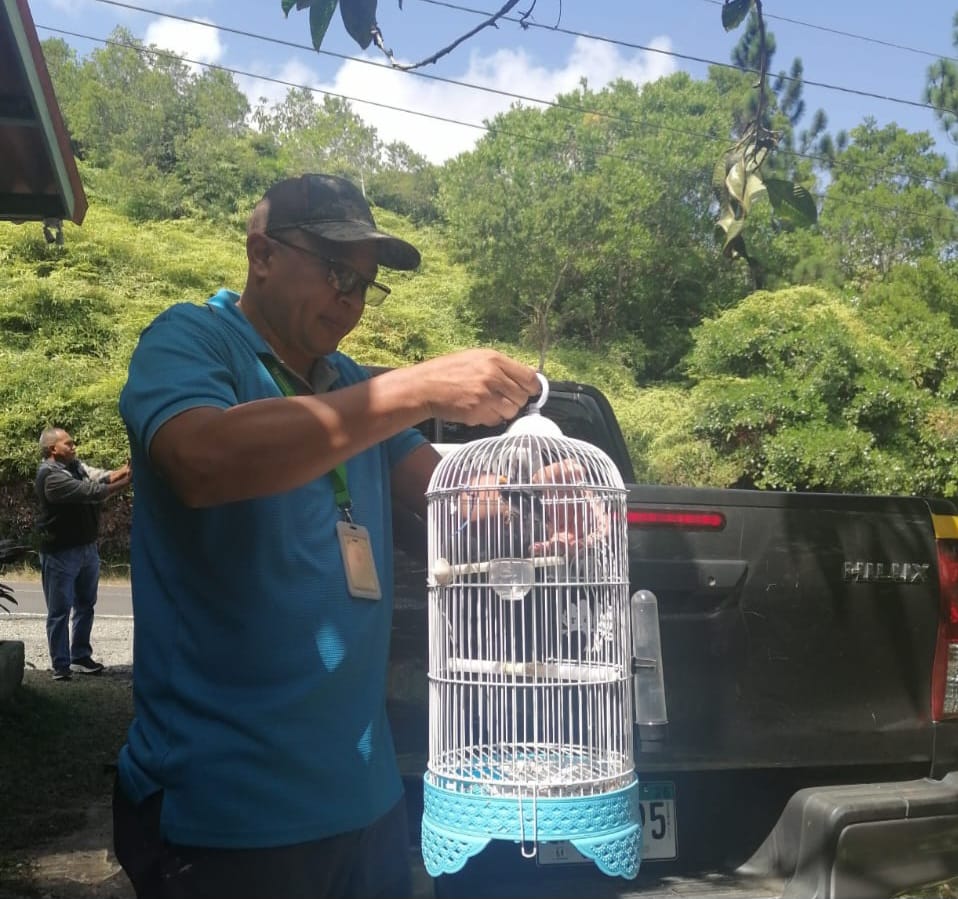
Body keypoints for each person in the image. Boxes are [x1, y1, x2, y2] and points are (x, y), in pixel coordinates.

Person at [112, 172, 540, 899]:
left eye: (365, 284)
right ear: (262, 254)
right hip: (225, 813)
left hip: (366, 802)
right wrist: (412, 386)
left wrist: (539, 506)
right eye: (338, 271)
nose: (351, 300)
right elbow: (199, 458)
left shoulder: (344, 379)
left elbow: (453, 498)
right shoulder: (191, 339)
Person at [34, 427, 131, 681]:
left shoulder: (75, 466)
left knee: (86, 605)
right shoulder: (50, 476)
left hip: (86, 547)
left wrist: (125, 470)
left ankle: (80, 657)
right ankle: (61, 666)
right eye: (68, 444)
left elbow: (99, 477)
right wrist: (127, 481)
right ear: (53, 449)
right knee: (59, 611)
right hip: (60, 553)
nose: (74, 446)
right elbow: (90, 492)